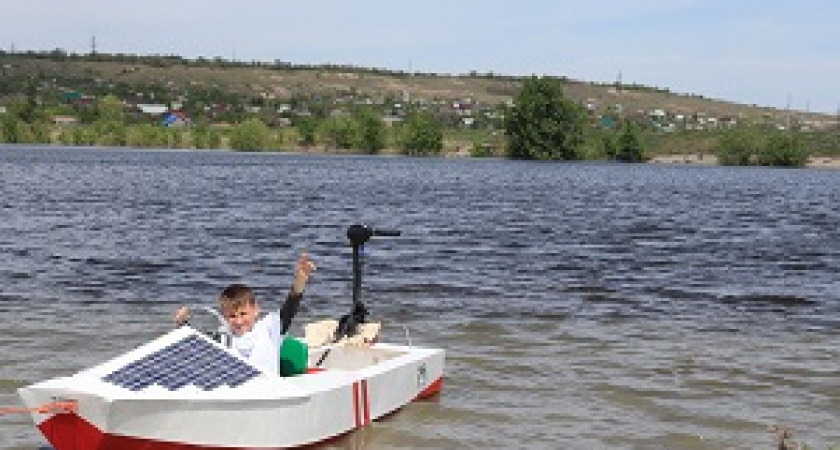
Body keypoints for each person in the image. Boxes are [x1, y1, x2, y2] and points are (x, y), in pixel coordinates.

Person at [174, 250, 316, 373]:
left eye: (243, 314)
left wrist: (301, 279)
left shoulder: (269, 328)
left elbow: (291, 306)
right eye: (232, 316)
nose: (239, 321)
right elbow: (196, 345)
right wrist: (183, 324)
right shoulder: (223, 337)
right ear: (224, 316)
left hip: (269, 390)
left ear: (256, 310)